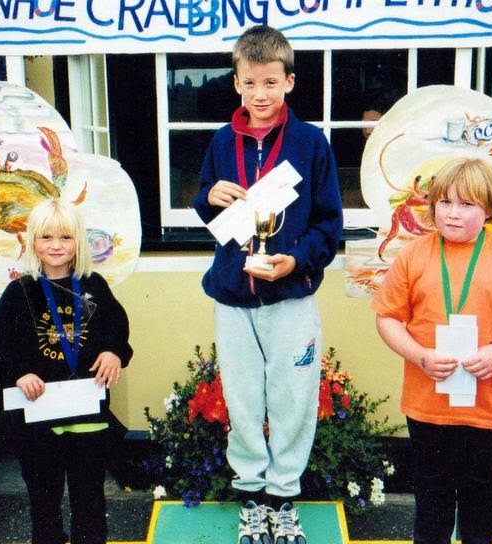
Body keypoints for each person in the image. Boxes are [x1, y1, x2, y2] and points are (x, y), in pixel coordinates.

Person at [193, 24, 342, 544]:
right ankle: (252, 500)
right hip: (234, 299)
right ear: (236, 83)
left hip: (290, 295)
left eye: (271, 83)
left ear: (290, 82)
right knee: (242, 402)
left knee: (294, 400)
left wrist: (295, 262)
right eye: (251, 83)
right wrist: (207, 195)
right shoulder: (220, 141)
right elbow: (205, 207)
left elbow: (330, 226)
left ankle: (283, 500)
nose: (261, 94)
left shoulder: (309, 143)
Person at [371, 157, 492, 544]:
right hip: (428, 400)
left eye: (467, 204)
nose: (453, 214)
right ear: (432, 206)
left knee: (479, 492)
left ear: (489, 210)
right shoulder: (413, 255)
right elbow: (387, 318)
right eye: (445, 203)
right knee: (431, 491)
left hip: (487, 401)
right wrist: (419, 355)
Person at [0, 198, 133, 544]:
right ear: (33, 241)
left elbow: (117, 327)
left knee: (90, 501)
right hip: (38, 419)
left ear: (78, 241)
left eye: (65, 238)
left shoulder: (94, 286)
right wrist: (19, 373)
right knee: (44, 504)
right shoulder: (21, 291)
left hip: (87, 415)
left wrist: (113, 352)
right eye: (46, 237)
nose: (56, 246)